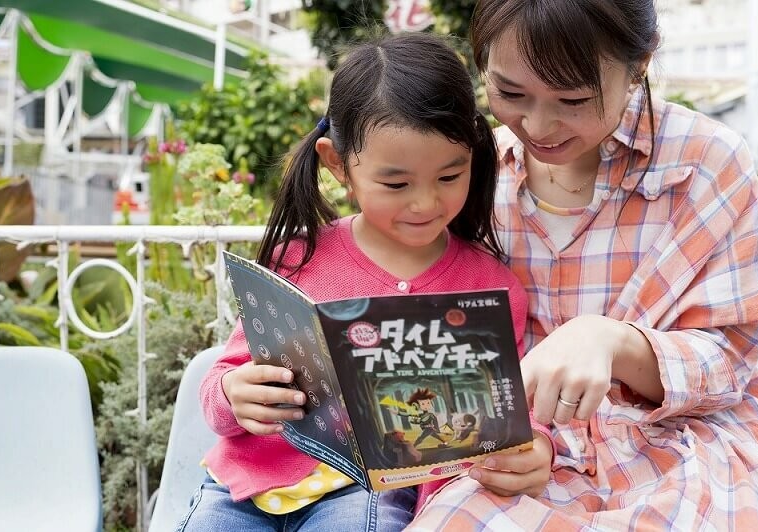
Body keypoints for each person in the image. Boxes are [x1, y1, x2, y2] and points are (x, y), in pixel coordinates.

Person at [407, 1, 758, 530]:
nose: (537, 125)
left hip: (684, 442)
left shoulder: (705, 162)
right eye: (510, 93)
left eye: (574, 99)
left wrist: (610, 342)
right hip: (529, 451)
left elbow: (730, 361)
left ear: (640, 66)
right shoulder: (472, 172)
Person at [177, 32, 555, 532]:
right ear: (338, 164)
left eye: (449, 176)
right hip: (249, 482)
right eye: (396, 184)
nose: (424, 203)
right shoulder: (299, 257)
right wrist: (233, 393)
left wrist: (536, 446)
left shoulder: (489, 286)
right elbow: (224, 377)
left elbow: (512, 407)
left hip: (368, 493)